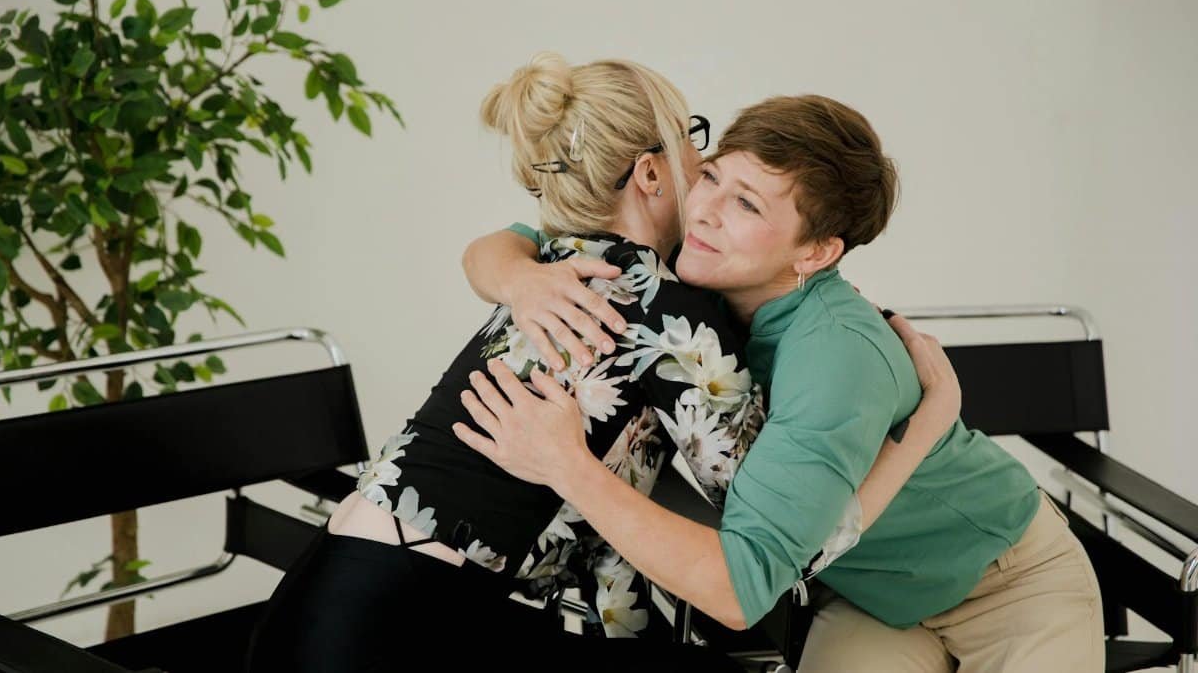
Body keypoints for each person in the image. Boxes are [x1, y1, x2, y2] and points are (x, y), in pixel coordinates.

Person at [245, 55, 953, 673]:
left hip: (313, 610)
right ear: (650, 172)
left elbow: (607, 537)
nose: (701, 171)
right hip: (400, 634)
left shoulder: (555, 266)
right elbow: (786, 548)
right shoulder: (663, 309)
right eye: (692, 147)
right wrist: (925, 426)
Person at [456, 94, 1105, 672]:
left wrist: (567, 464)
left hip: (1006, 583)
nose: (706, 208)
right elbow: (515, 241)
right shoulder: (699, 252)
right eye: (711, 175)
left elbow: (740, 589)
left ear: (815, 252)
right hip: (870, 594)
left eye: (746, 202)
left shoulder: (835, 355)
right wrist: (521, 280)